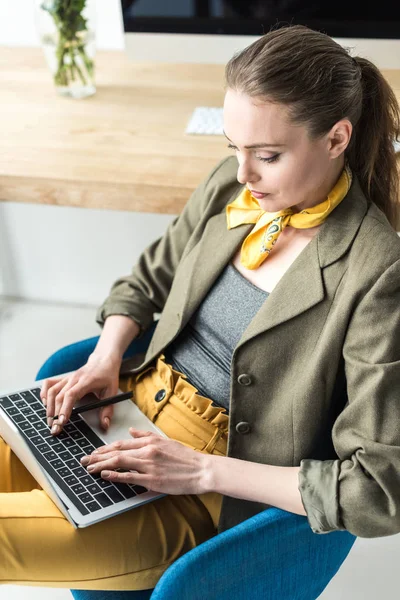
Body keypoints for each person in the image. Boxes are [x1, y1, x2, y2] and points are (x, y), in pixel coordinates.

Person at [1, 23, 400, 592]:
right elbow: (148, 277)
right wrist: (107, 357)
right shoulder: (230, 188)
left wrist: (200, 470)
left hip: (203, 490)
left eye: (267, 155)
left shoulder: (379, 271)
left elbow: (380, 488)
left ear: (337, 139)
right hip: (123, 411)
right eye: (234, 149)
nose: (244, 174)